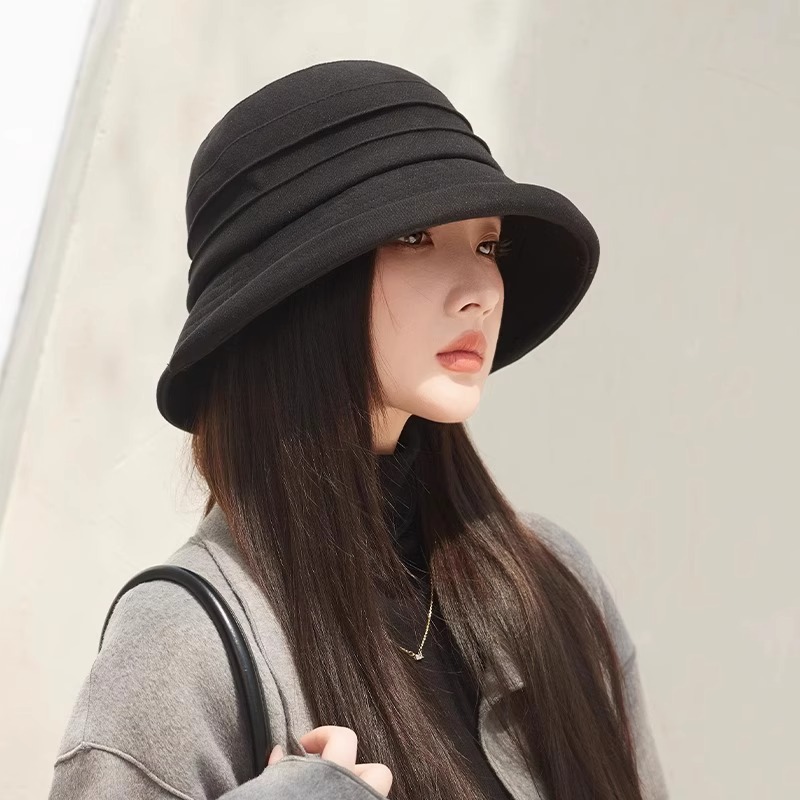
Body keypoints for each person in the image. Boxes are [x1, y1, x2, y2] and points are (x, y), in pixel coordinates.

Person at [48, 59, 669, 800]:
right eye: (415, 236)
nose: (481, 290)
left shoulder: (552, 585)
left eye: (487, 245)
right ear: (299, 288)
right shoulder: (181, 644)